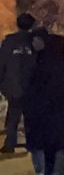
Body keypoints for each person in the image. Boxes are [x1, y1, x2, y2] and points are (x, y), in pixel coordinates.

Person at [23, 32, 64, 175]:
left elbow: (30, 91)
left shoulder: (39, 68)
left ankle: (41, 174)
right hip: (63, 113)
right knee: (60, 147)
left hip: (41, 113)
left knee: (39, 144)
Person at [0, 13, 38, 153]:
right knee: (31, 115)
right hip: (31, 85)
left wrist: (2, 84)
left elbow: (1, 64)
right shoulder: (35, 42)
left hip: (13, 85)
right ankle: (33, 142)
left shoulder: (8, 42)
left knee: (13, 115)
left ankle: (10, 143)